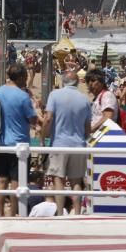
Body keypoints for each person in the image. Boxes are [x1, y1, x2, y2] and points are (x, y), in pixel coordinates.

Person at [42, 70, 92, 215]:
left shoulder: (54, 95)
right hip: (78, 144)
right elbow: (87, 128)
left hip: (59, 143)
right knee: (76, 181)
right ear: (77, 82)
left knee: (59, 179)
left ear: (63, 81)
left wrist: (42, 138)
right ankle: (76, 213)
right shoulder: (84, 99)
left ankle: (60, 212)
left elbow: (49, 118)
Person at [0, 64, 39, 217]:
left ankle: (0, 214)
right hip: (19, 144)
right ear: (19, 77)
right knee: (16, 182)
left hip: (1, 143)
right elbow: (32, 120)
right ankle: (12, 215)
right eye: (25, 78)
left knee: (1, 180)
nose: (26, 81)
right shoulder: (23, 96)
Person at [86, 68, 119, 133]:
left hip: (105, 136)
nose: (90, 83)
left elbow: (107, 117)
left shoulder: (107, 95)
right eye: (88, 81)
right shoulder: (98, 97)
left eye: (93, 80)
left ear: (101, 82)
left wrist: (91, 129)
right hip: (98, 135)